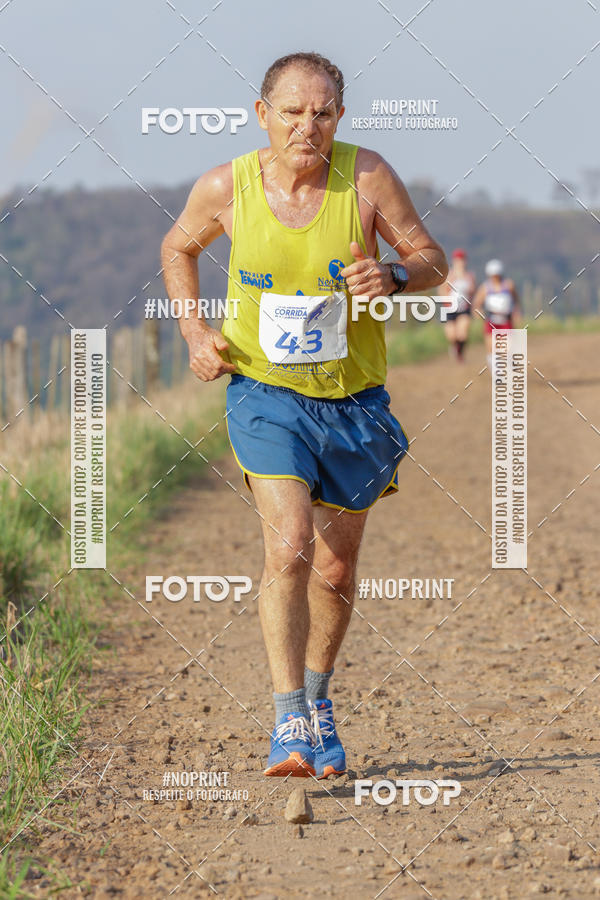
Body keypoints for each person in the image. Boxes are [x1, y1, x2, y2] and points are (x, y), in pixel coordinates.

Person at [161, 51, 447, 779]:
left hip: (354, 401)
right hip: (265, 393)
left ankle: (318, 703)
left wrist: (394, 274)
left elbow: (433, 259)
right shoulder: (228, 186)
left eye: (321, 112)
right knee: (288, 544)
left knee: (337, 569)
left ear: (339, 118)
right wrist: (196, 331)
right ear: (263, 115)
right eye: (291, 111)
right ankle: (288, 717)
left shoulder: (369, 177)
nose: (306, 126)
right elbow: (177, 245)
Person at [473, 259, 521, 371]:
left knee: (507, 348)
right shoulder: (485, 288)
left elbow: (516, 300)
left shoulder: (509, 285)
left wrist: (516, 312)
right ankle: (497, 372)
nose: (495, 277)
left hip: (505, 320)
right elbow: (477, 304)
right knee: (492, 348)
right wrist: (479, 315)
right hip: (491, 321)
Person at [439, 248, 476, 362]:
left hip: (464, 308)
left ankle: (460, 354)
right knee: (452, 335)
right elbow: (442, 291)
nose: (460, 262)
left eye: (462, 260)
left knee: (463, 333)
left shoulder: (469, 276)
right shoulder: (449, 275)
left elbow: (473, 292)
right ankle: (455, 348)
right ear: (454, 261)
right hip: (449, 308)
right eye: (458, 260)